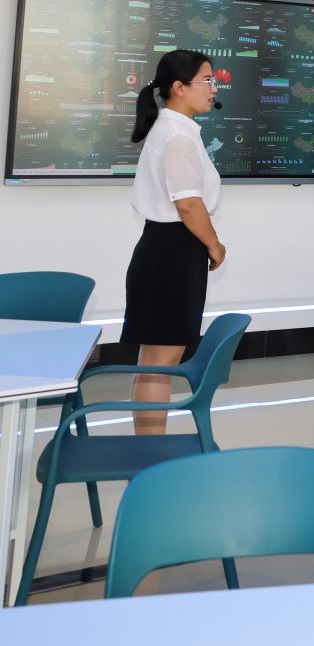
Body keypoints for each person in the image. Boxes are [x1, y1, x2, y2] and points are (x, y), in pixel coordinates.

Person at [124, 50, 225, 436]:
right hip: (174, 253)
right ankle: (152, 454)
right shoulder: (177, 136)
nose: (214, 89)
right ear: (179, 88)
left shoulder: (173, 130)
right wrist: (214, 245)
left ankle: (147, 450)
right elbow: (188, 204)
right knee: (160, 365)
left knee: (152, 362)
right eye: (208, 80)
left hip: (164, 249)